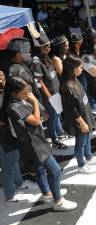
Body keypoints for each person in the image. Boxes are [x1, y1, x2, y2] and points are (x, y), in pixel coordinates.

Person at [7, 76, 77, 211]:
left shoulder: (20, 101)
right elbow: (36, 120)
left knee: (40, 169)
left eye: (28, 91)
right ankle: (58, 202)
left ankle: (47, 193)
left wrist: (32, 103)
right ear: (13, 93)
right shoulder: (15, 106)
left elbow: (38, 118)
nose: (27, 94)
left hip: (36, 140)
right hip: (34, 144)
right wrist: (33, 101)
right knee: (55, 170)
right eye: (24, 92)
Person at [60, 55, 96, 174]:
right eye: (80, 67)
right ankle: (81, 165)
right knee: (80, 143)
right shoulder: (67, 87)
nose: (82, 69)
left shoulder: (75, 79)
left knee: (88, 138)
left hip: (85, 114)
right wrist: (82, 123)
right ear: (73, 68)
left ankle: (89, 157)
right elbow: (71, 109)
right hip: (79, 120)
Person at [32, 36, 68, 149]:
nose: (48, 47)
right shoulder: (36, 62)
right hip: (49, 95)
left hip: (56, 92)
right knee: (52, 118)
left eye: (49, 45)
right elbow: (39, 82)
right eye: (45, 46)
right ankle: (54, 140)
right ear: (39, 48)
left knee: (56, 115)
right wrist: (49, 96)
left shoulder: (47, 57)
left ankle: (58, 133)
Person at [0, 70, 27, 202]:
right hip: (4, 138)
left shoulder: (6, 94)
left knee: (14, 160)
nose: (1, 76)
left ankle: (19, 183)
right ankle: (9, 195)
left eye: (2, 75)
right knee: (7, 166)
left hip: (11, 135)